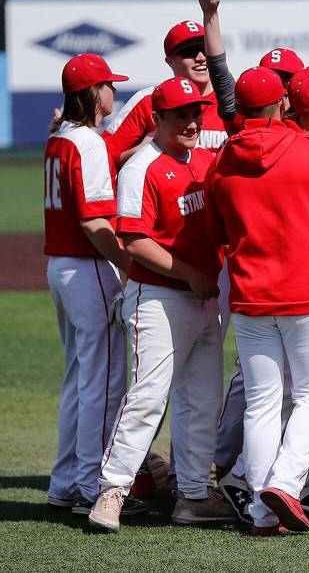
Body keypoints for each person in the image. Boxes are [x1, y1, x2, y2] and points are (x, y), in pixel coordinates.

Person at [205, 66, 309, 536]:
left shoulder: (223, 161)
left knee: (262, 404)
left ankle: (262, 513)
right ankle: (287, 482)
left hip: (250, 295)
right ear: (283, 104)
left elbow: (216, 231)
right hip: (306, 293)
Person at [88, 77, 235, 532]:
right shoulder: (143, 167)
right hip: (157, 297)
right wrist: (191, 273)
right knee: (148, 398)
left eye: (197, 113)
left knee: (201, 400)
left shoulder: (203, 159)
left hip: (201, 299)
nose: (193, 122)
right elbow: (133, 240)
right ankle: (111, 492)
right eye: (181, 115)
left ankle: (192, 495)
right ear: (156, 119)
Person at [43, 54, 146, 519]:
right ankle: (88, 483)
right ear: (92, 94)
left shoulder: (60, 137)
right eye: (107, 85)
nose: (113, 92)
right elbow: (95, 222)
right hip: (87, 267)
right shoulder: (85, 141)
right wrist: (129, 264)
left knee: (78, 378)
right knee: (104, 382)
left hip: (60, 268)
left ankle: (66, 481)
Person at [104, 21, 225, 166]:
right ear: (170, 61)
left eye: (205, 49)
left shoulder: (231, 100)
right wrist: (146, 150)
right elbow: (104, 159)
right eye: (189, 52)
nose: (200, 57)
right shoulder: (148, 100)